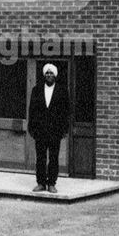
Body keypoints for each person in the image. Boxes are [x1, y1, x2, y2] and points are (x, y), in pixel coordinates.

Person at [27, 62, 71, 193]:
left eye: (51, 73)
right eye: (47, 73)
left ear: (55, 75)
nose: (49, 75)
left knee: (53, 157)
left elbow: (66, 112)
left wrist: (64, 129)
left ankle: (51, 183)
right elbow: (32, 110)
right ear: (44, 75)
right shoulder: (37, 89)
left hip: (55, 131)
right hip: (40, 131)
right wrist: (32, 128)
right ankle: (41, 183)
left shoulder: (62, 91)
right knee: (40, 158)